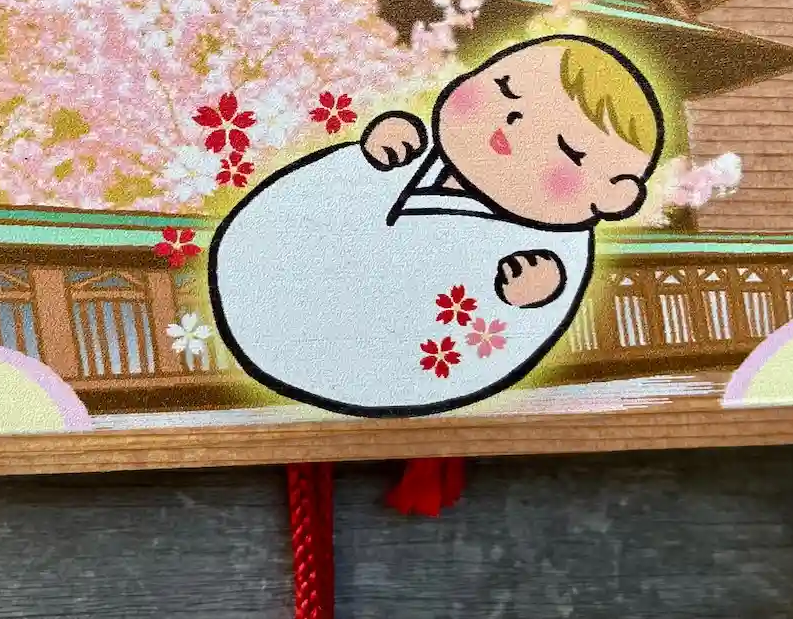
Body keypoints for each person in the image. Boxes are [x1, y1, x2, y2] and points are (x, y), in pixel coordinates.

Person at [209, 34, 664, 417]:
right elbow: (333, 192)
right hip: (289, 305)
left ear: (613, 197)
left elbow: (519, 318)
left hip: (398, 360)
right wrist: (379, 149)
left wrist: (535, 291)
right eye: (505, 88)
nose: (514, 120)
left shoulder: (548, 252)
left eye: (567, 148)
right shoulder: (417, 154)